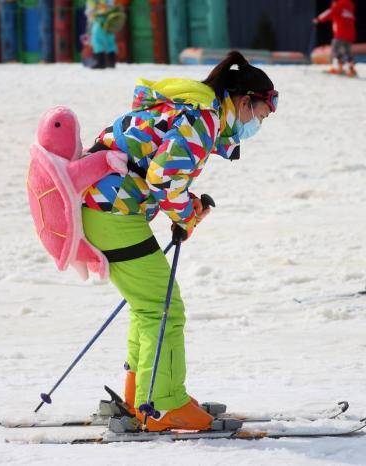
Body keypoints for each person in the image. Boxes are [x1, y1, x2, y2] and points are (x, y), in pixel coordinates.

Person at [80, 51, 277, 431]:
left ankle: (143, 397)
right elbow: (164, 179)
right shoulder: (202, 119)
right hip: (112, 212)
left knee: (148, 305)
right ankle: (163, 405)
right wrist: (186, 213)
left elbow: (163, 173)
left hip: (106, 209)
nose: (256, 124)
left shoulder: (195, 110)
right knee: (164, 307)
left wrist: (185, 210)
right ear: (243, 100)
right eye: (258, 115)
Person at [313, 0, 357, 77]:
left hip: (340, 34)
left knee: (336, 51)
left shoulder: (339, 5)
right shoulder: (349, 6)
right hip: (350, 35)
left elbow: (330, 12)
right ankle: (350, 69)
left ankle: (339, 68)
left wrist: (318, 19)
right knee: (346, 51)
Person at [85, 0, 119, 68]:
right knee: (110, 40)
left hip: (99, 18)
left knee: (97, 40)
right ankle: (111, 62)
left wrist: (90, 19)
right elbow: (112, 6)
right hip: (110, 19)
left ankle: (100, 62)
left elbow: (91, 9)